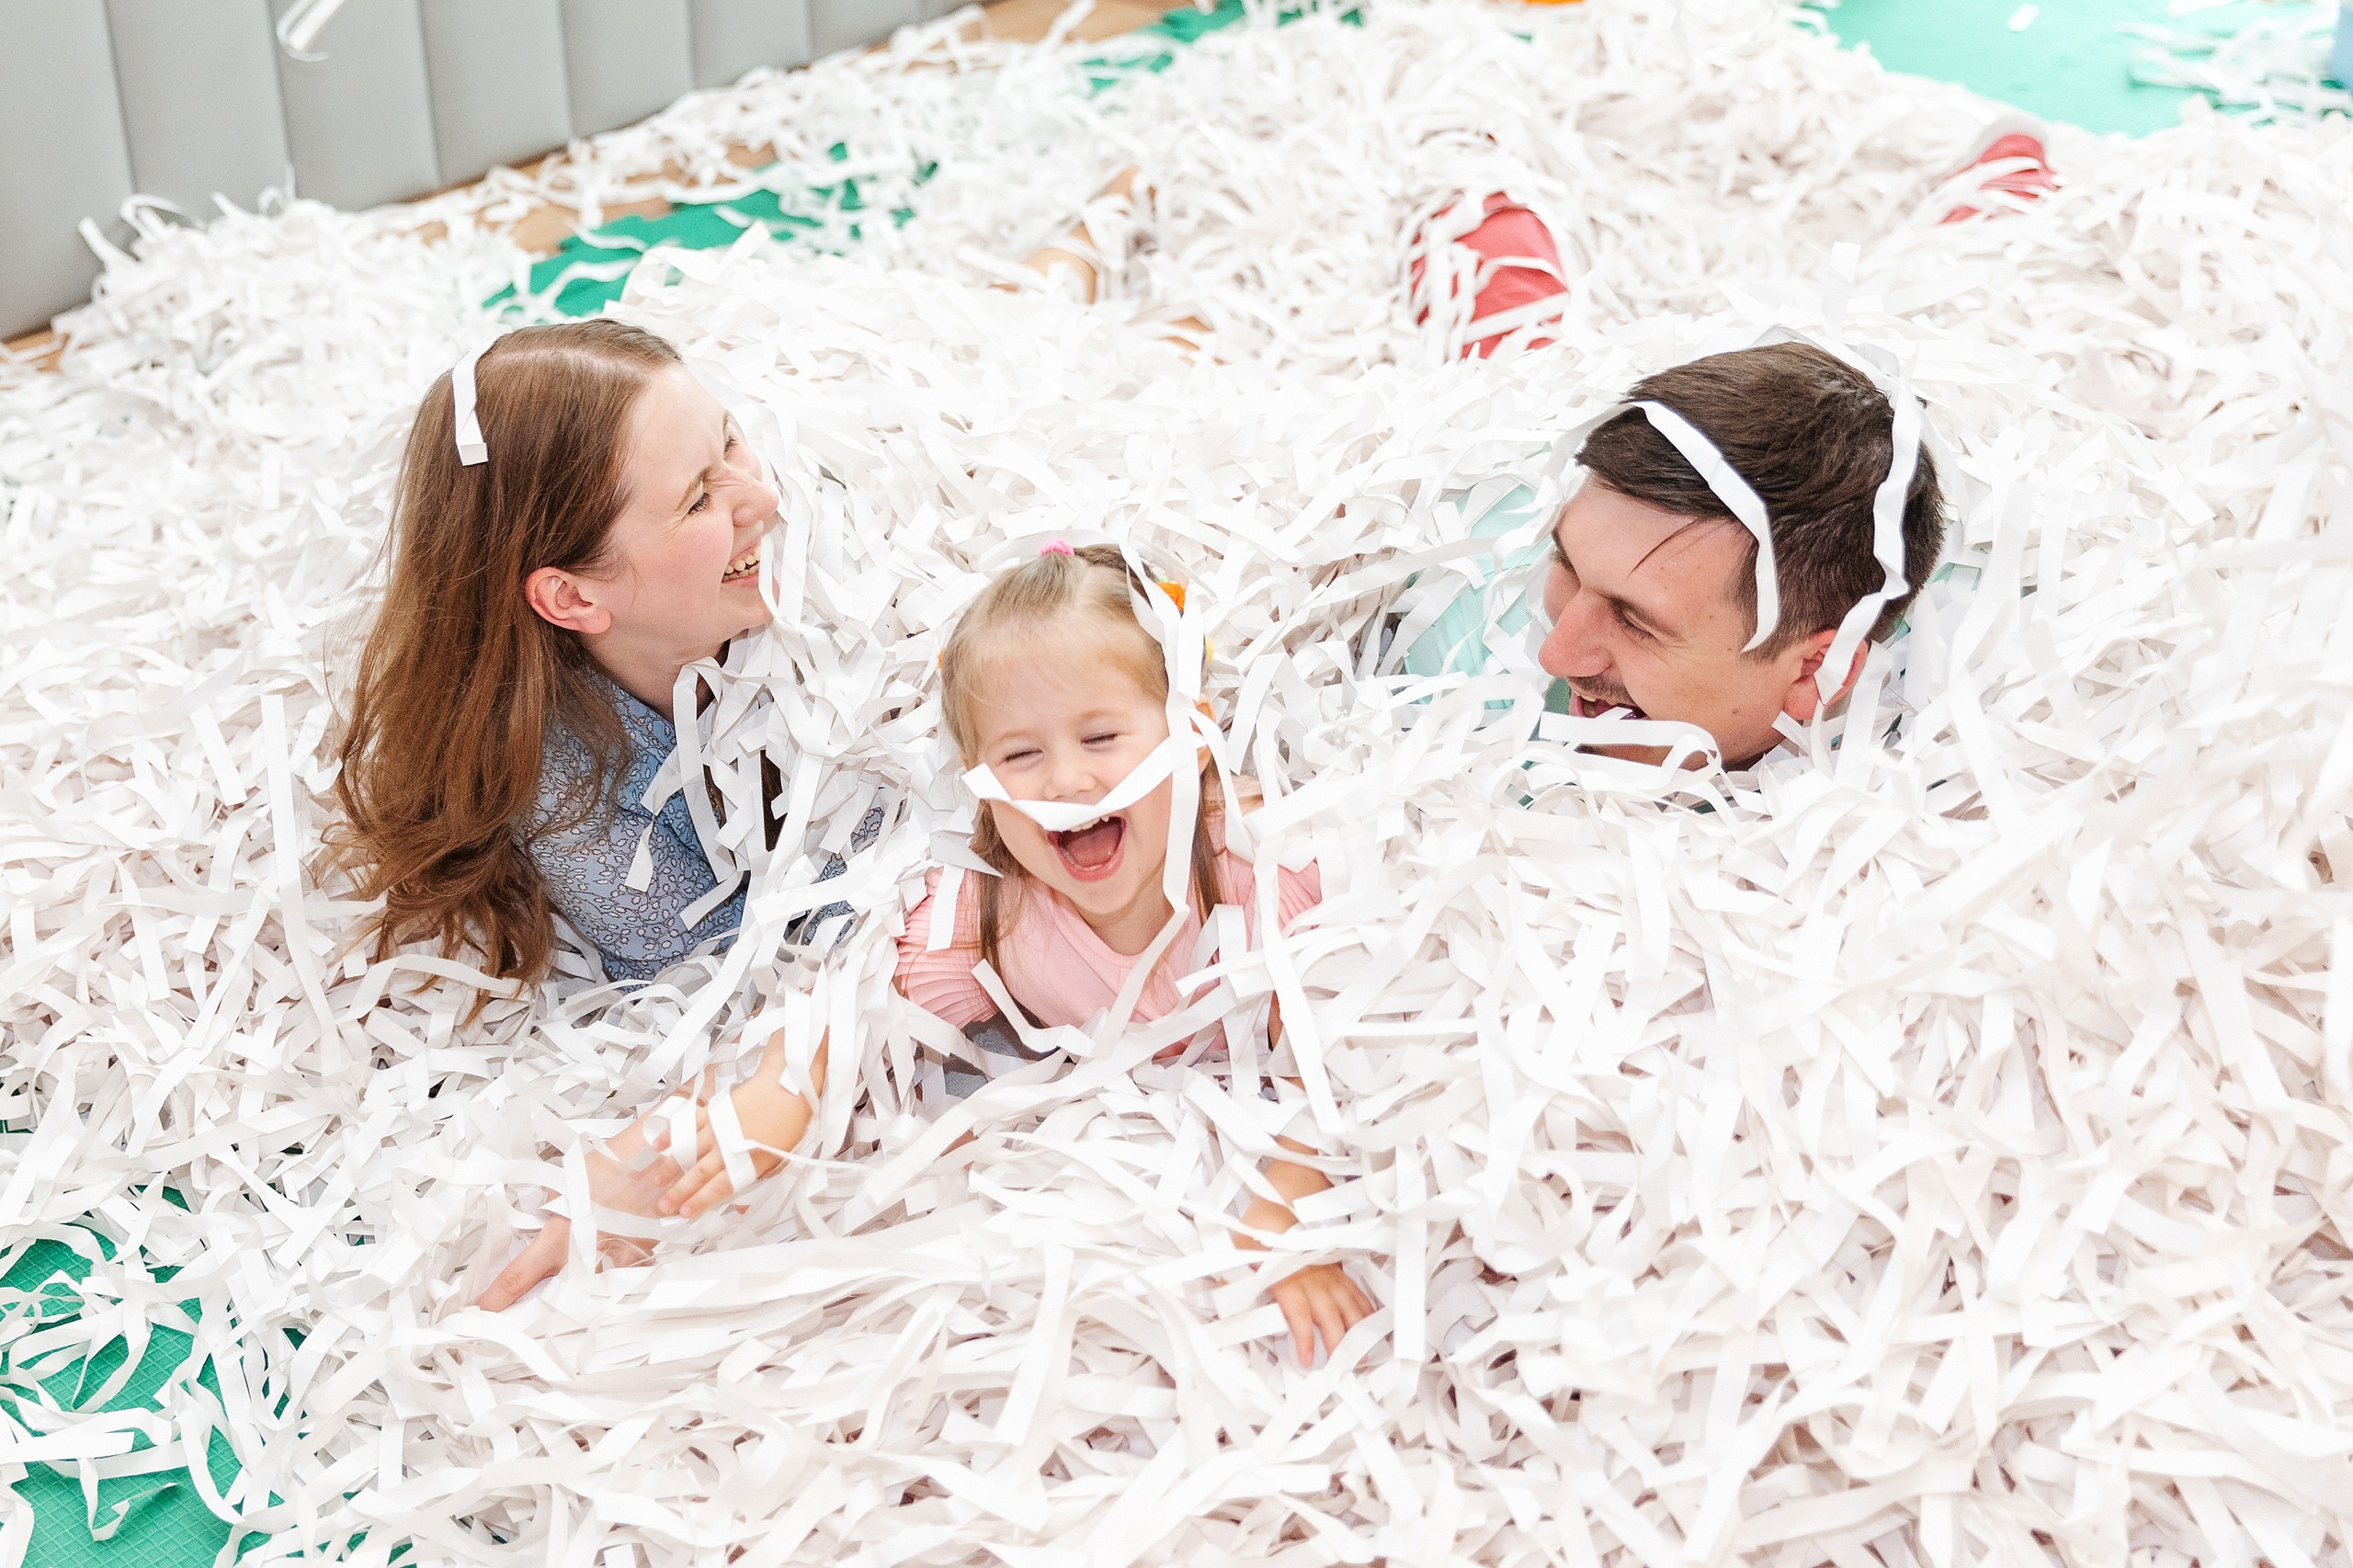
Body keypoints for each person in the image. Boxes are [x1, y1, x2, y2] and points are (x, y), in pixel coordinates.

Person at [331, 319, 850, 1309]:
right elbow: (752, 979)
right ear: (570, 597)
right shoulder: (574, 799)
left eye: (730, 441)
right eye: (698, 498)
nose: (763, 497)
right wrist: (659, 1154)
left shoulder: (825, 568)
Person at [895, 543, 1378, 1368]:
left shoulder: (1269, 872)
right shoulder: (991, 915)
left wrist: (1292, 1198)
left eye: (1100, 736)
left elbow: (1330, 1054)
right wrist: (774, 1096)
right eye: (1020, 755)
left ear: (1191, 734)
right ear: (978, 780)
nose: (1067, 781)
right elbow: (862, 1012)